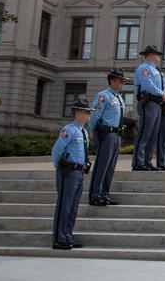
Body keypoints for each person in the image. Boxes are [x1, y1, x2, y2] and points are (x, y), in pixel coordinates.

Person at [51, 99, 92, 250]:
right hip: (68, 172)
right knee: (64, 205)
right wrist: (57, 164)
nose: (89, 115)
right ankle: (59, 239)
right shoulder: (69, 130)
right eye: (87, 112)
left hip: (79, 172)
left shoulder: (84, 132)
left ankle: (68, 236)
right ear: (78, 113)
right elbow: (57, 149)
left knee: (73, 207)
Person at [88, 67, 128, 206]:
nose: (123, 83)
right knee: (102, 165)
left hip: (116, 135)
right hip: (106, 134)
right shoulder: (103, 96)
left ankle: (104, 194)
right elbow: (95, 116)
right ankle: (95, 195)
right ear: (112, 81)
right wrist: (92, 131)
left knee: (110, 166)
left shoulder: (119, 99)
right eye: (120, 80)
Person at [133, 45, 165, 171]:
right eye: (156, 54)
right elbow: (148, 85)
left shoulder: (157, 71)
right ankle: (139, 162)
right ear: (150, 55)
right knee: (145, 133)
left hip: (157, 104)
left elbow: (162, 86)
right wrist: (162, 93)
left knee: (153, 134)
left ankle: (147, 161)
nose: (158, 56)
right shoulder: (144, 69)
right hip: (148, 102)